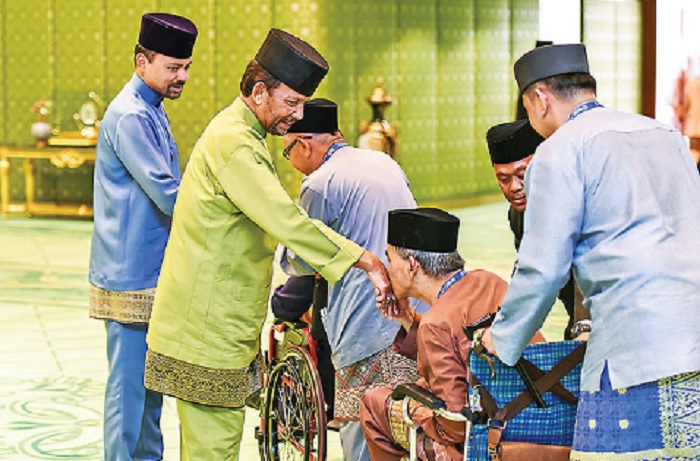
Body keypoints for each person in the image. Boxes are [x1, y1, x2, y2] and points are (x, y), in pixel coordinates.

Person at [143, 29, 393, 460]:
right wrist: (363, 259)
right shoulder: (234, 143)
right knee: (212, 451)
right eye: (291, 103)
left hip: (219, 322)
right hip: (205, 327)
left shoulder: (244, 135)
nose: (297, 115)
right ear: (259, 91)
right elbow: (286, 220)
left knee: (212, 446)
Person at [482, 43, 700, 460]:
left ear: (540, 99)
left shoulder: (560, 151)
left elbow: (543, 268)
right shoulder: (665, 135)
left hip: (635, 347)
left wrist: (503, 336)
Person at [280, 99, 424, 461]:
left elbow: (302, 259)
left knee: (363, 430)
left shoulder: (320, 183)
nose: (291, 162)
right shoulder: (384, 162)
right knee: (409, 421)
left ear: (304, 144)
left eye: (287, 152)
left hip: (364, 319)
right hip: (412, 313)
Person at [87, 12, 197, 461]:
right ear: (141, 61)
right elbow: (167, 193)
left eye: (186, 67)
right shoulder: (130, 114)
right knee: (128, 392)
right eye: (172, 67)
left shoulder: (152, 107)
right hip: (129, 271)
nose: (182, 76)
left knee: (152, 389)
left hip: (152, 268)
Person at [359, 208, 544, 461]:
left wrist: (415, 412)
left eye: (390, 260)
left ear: (412, 266)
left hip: (484, 442)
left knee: (374, 403)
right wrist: (406, 316)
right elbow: (455, 339)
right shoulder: (490, 281)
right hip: (536, 420)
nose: (389, 270)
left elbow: (455, 427)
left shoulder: (435, 324)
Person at [486, 119, 589, 339]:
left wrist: (584, 326)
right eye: (503, 179)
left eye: (522, 174)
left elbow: (588, 271)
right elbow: (529, 272)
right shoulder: (518, 215)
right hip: (574, 309)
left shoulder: (575, 201)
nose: (514, 187)